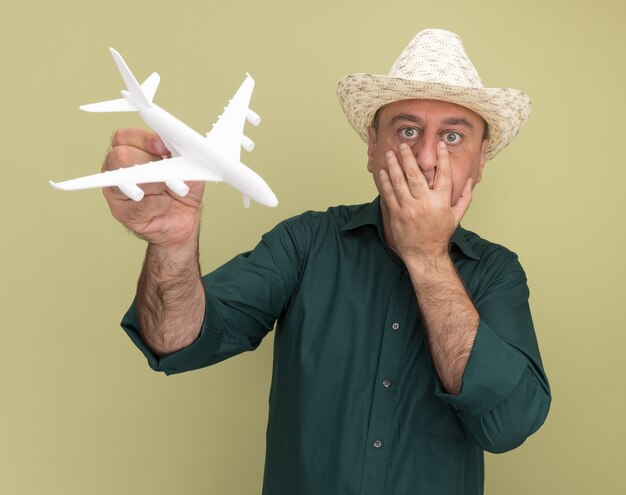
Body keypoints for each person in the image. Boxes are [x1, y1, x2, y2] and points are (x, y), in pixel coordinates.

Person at [105, 29, 550, 494]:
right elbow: (174, 340)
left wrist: (429, 257)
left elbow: (509, 424)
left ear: (480, 161)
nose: (425, 158)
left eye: (453, 136)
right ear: (373, 148)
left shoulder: (498, 272)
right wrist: (172, 246)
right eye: (408, 130)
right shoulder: (306, 243)